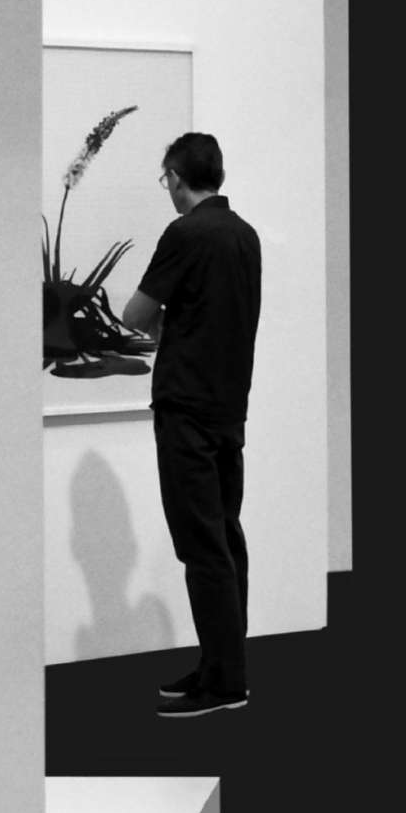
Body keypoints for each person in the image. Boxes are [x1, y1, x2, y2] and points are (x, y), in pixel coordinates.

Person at [123, 132, 261, 718]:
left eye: (167, 179)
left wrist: (166, 329)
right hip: (229, 408)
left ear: (177, 177)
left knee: (202, 547)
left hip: (185, 408)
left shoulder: (185, 234)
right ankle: (222, 665)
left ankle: (225, 684)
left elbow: (135, 313)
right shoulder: (245, 235)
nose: (168, 190)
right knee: (225, 538)